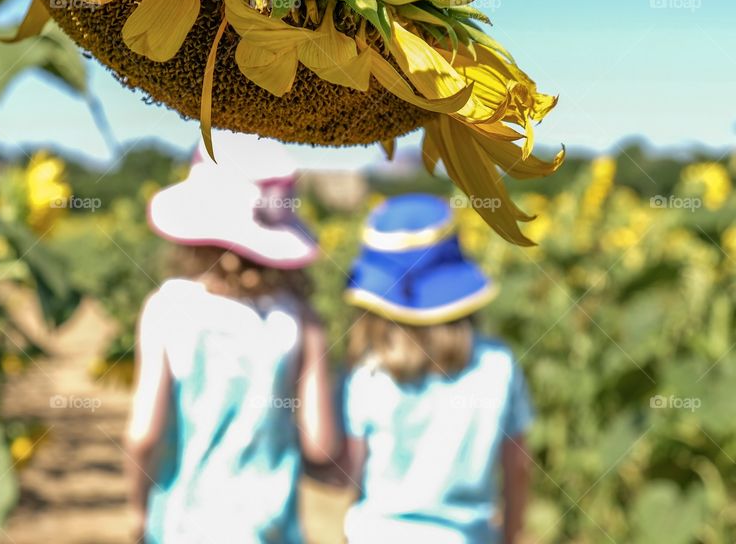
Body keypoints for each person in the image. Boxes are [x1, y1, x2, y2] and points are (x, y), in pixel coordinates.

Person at [126, 132, 341, 544]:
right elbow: (320, 444)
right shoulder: (300, 319)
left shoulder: (166, 308)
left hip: (183, 525)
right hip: (271, 526)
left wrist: (137, 510)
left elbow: (143, 435)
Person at [340, 193, 534, 544]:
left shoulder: (369, 374)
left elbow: (353, 473)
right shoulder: (498, 364)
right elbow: (517, 469)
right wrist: (510, 536)